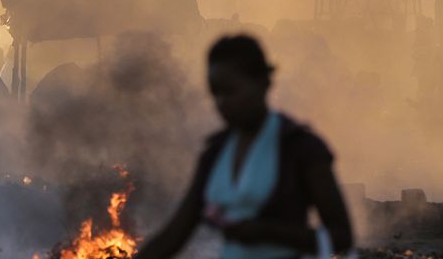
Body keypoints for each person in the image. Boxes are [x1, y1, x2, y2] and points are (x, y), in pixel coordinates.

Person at [135, 35, 352, 259]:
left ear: (263, 83)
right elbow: (174, 235)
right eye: (215, 93)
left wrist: (267, 232)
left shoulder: (300, 148)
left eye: (230, 91)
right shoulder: (214, 154)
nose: (221, 102)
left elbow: (341, 236)